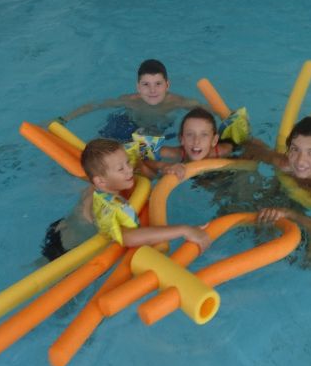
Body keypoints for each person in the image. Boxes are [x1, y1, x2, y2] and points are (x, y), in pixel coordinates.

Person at [41, 138, 210, 260]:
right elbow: (127, 237)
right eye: (121, 169)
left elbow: (139, 151)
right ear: (101, 181)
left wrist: (165, 167)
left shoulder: (116, 162)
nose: (129, 170)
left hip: (64, 226)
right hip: (66, 248)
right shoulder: (103, 206)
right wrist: (184, 230)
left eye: (127, 163)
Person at [245, 116, 311, 244]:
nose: (300, 161)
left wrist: (290, 214)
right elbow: (255, 150)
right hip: (299, 192)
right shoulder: (285, 164)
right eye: (295, 149)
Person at [58, 59, 203, 140]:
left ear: (167, 85)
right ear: (138, 87)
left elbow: (203, 108)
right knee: (101, 148)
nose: (152, 90)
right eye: (146, 85)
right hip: (127, 125)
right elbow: (95, 105)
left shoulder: (176, 101)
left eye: (158, 84)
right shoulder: (130, 100)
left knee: (148, 153)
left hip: (156, 130)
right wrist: (64, 119)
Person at [142, 107, 238, 180]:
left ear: (214, 141)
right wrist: (164, 166)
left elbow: (242, 150)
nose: (196, 141)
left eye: (204, 135)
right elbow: (140, 151)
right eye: (190, 134)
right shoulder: (177, 153)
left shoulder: (223, 151)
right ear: (181, 139)